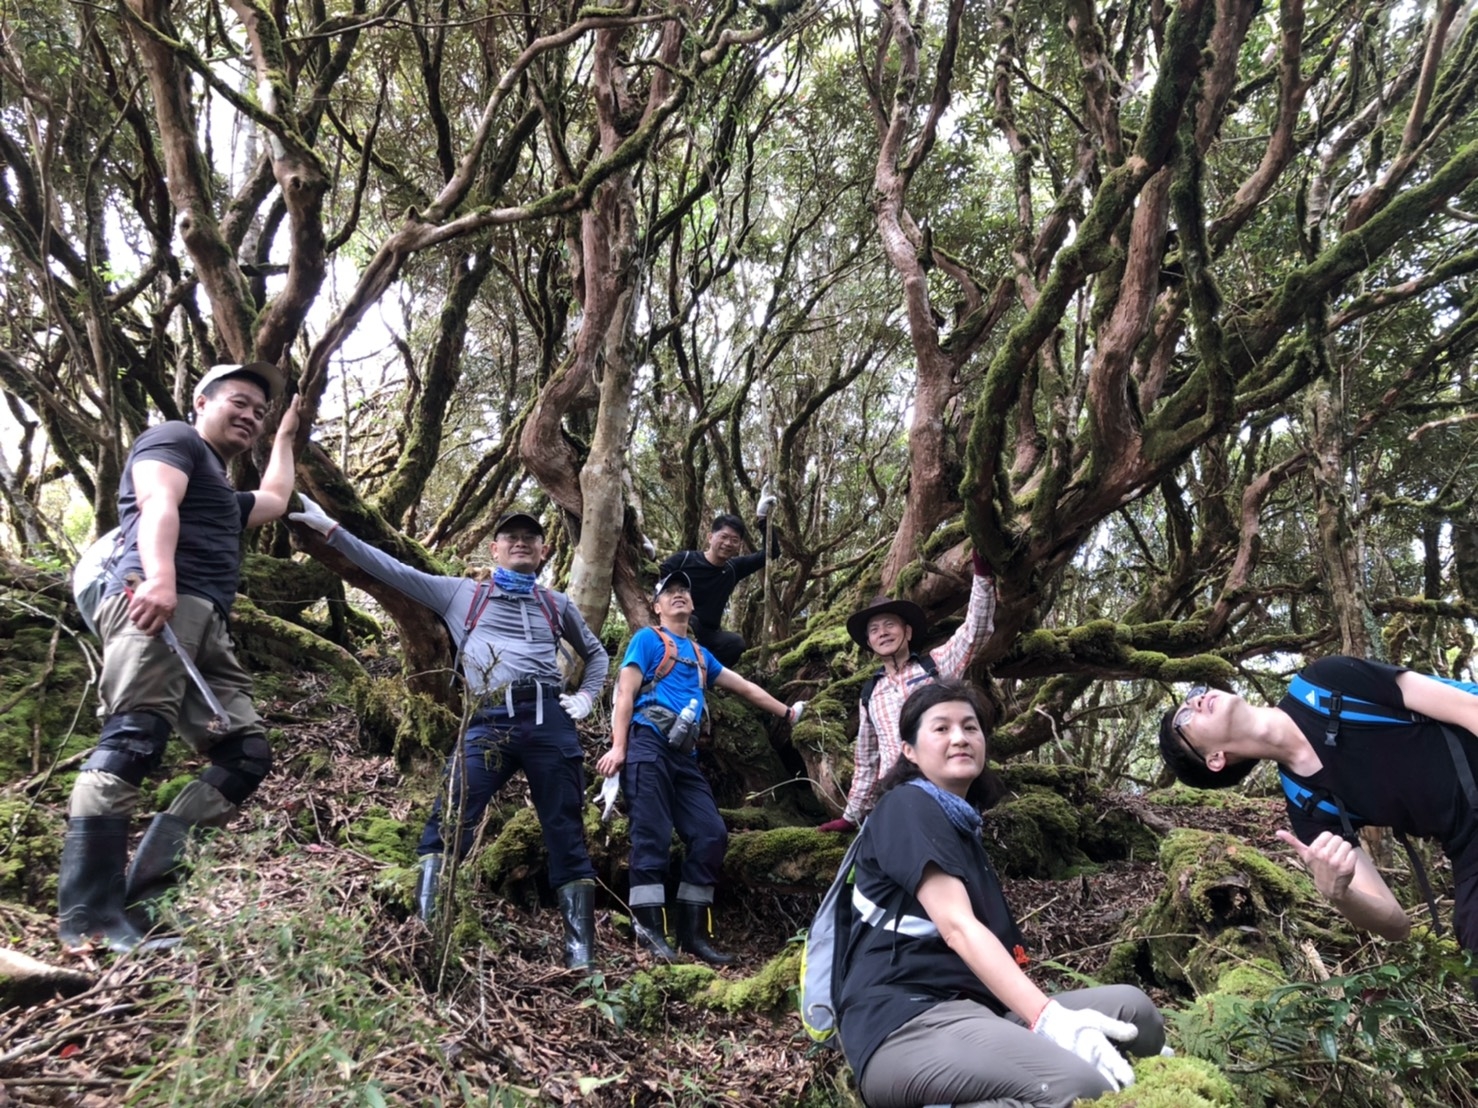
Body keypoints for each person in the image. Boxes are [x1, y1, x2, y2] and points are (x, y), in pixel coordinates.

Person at [289, 501, 610, 971]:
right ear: (496, 549)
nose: (520, 542)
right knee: (451, 814)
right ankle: (426, 928)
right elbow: (390, 568)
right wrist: (332, 529)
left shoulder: (556, 604)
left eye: (530, 538)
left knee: (564, 827)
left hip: (549, 722)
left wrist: (585, 698)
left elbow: (598, 656)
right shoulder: (461, 593)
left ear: (543, 551)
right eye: (511, 537)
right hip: (488, 719)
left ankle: (580, 952)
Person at [60, 362, 300, 952]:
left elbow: (273, 498)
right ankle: (89, 917)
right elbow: (156, 500)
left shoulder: (218, 486)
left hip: (206, 623)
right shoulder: (174, 438)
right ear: (201, 401)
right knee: (133, 739)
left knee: (245, 754)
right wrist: (161, 578)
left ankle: (145, 898)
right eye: (239, 402)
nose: (250, 415)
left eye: (259, 411)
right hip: (160, 604)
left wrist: (288, 436)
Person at [838, 678, 1163, 1106]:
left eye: (971, 727)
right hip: (906, 1021)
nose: (960, 738)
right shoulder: (907, 806)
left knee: (1135, 1012)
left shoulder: (962, 827)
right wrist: (1048, 1019)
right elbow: (957, 926)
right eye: (941, 728)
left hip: (980, 1012)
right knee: (1080, 1088)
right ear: (910, 751)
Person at [1159, 656, 1478, 952]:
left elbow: (1468, 707)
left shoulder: (1324, 683)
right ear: (1214, 759)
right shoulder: (1307, 805)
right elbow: (1396, 925)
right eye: (1184, 717)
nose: (1196, 700)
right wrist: (1340, 894)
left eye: (1193, 694)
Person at [596, 571, 805, 964]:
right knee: (652, 834)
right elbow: (625, 691)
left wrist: (788, 713)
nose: (678, 596)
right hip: (648, 744)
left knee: (710, 835)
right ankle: (650, 932)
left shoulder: (699, 654)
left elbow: (744, 687)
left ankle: (693, 934)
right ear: (656, 607)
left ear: (693, 606)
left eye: (684, 592)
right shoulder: (647, 639)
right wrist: (619, 747)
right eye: (668, 593)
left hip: (684, 757)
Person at [818, 552, 997, 832]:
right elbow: (867, 761)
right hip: (899, 797)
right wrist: (850, 817)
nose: (883, 633)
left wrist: (983, 576)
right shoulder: (870, 694)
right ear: (869, 643)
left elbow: (976, 631)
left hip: (947, 786)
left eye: (890, 625)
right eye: (874, 630)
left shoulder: (935, 666)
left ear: (908, 632)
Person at [658, 492, 778, 667]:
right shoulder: (685, 559)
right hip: (677, 627)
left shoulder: (733, 568)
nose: (728, 543)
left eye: (734, 540)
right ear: (710, 537)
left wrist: (763, 518)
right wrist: (649, 556)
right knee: (691, 621)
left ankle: (707, 681)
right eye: (724, 537)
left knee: (736, 643)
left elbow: (771, 552)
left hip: (709, 635)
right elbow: (655, 578)